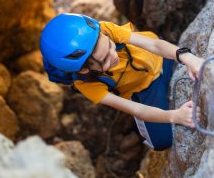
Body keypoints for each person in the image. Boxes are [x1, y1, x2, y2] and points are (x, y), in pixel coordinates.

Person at [40, 13, 204, 151]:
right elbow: (138, 109)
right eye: (105, 59)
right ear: (84, 70)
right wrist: (175, 116)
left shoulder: (104, 30)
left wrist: (186, 57)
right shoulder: (88, 86)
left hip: (157, 59)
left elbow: (154, 44)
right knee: (161, 143)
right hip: (144, 88)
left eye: (110, 45)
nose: (114, 55)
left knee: (166, 53)